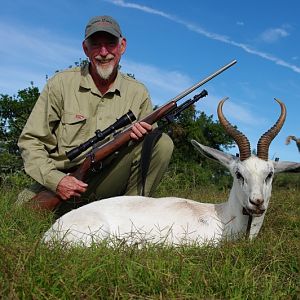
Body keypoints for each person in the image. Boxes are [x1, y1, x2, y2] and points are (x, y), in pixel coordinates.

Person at [17, 15, 174, 216]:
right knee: (19, 219)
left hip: (108, 179)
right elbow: (31, 141)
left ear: (122, 45)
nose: (103, 52)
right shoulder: (60, 84)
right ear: (85, 48)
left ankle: (128, 220)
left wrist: (144, 136)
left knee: (160, 143)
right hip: (62, 182)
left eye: (110, 43)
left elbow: (146, 149)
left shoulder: (138, 93)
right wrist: (57, 181)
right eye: (95, 45)